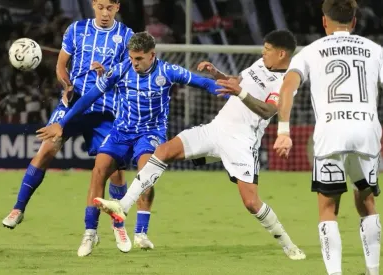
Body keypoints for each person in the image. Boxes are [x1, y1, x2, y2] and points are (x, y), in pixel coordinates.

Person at [90, 30, 306, 260]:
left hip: (241, 142)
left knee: (251, 203)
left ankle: (288, 244)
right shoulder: (260, 65)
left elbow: (269, 110)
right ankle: (122, 206)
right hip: (215, 129)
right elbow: (237, 83)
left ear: (281, 53)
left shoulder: (284, 82)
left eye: (267, 50)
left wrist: (240, 93)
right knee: (163, 151)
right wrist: (217, 74)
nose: (263, 53)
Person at [36, 31, 227, 256]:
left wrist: (236, 98)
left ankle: (141, 234)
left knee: (146, 172)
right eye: (131, 57)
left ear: (151, 55)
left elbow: (204, 83)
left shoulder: (167, 71)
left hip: (150, 132)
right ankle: (90, 232)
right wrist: (63, 123)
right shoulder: (121, 69)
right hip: (121, 131)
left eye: (139, 58)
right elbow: (89, 97)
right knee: (99, 171)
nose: (134, 63)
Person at [1, 0, 144, 256]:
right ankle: (18, 208)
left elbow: (131, 72)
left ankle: (116, 222)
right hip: (74, 102)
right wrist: (66, 85)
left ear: (117, 7)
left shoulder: (126, 36)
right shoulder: (76, 29)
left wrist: (107, 73)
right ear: (93, 4)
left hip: (107, 108)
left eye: (109, 8)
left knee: (115, 172)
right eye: (100, 6)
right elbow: (60, 66)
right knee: (46, 150)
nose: (104, 13)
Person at [273, 0, 382, 274]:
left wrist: (283, 132)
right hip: (366, 132)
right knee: (367, 202)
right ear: (354, 21)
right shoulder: (375, 50)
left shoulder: (310, 52)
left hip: (330, 133)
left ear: (324, 21)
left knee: (328, 208)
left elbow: (287, 89)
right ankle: (371, 270)